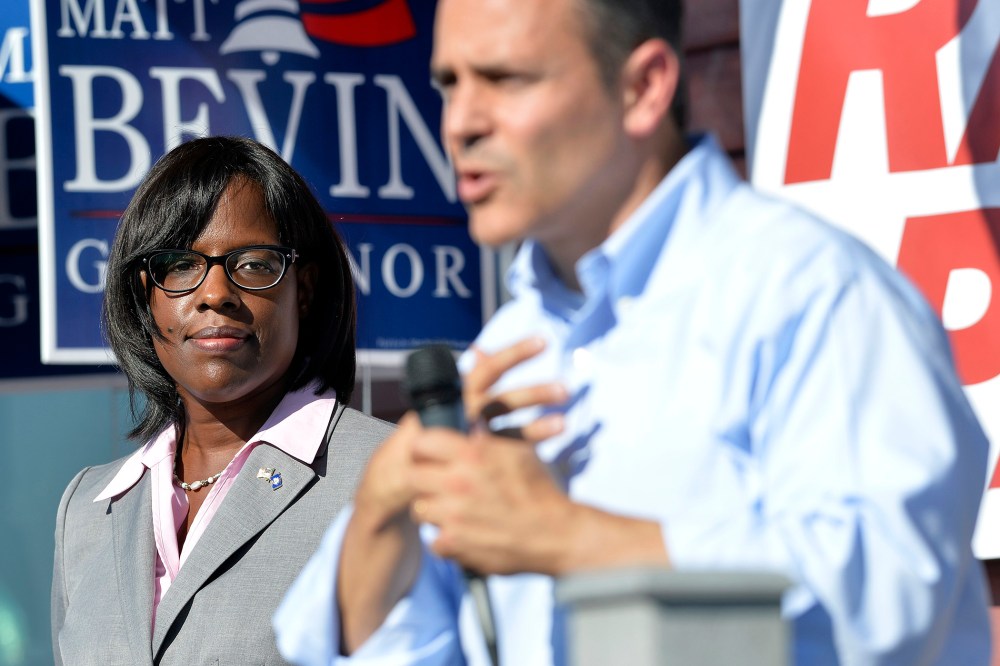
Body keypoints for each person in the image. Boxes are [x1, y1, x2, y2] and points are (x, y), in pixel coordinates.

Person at [273, 0, 992, 663]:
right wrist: (380, 509)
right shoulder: (507, 350)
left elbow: (891, 598)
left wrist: (571, 538)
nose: (461, 121)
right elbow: (370, 648)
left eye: (505, 79)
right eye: (449, 83)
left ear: (645, 86)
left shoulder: (810, 294)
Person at [50, 136, 394, 665]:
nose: (214, 293)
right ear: (147, 292)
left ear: (302, 290)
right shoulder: (88, 508)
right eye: (180, 264)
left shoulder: (388, 476)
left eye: (255, 264)